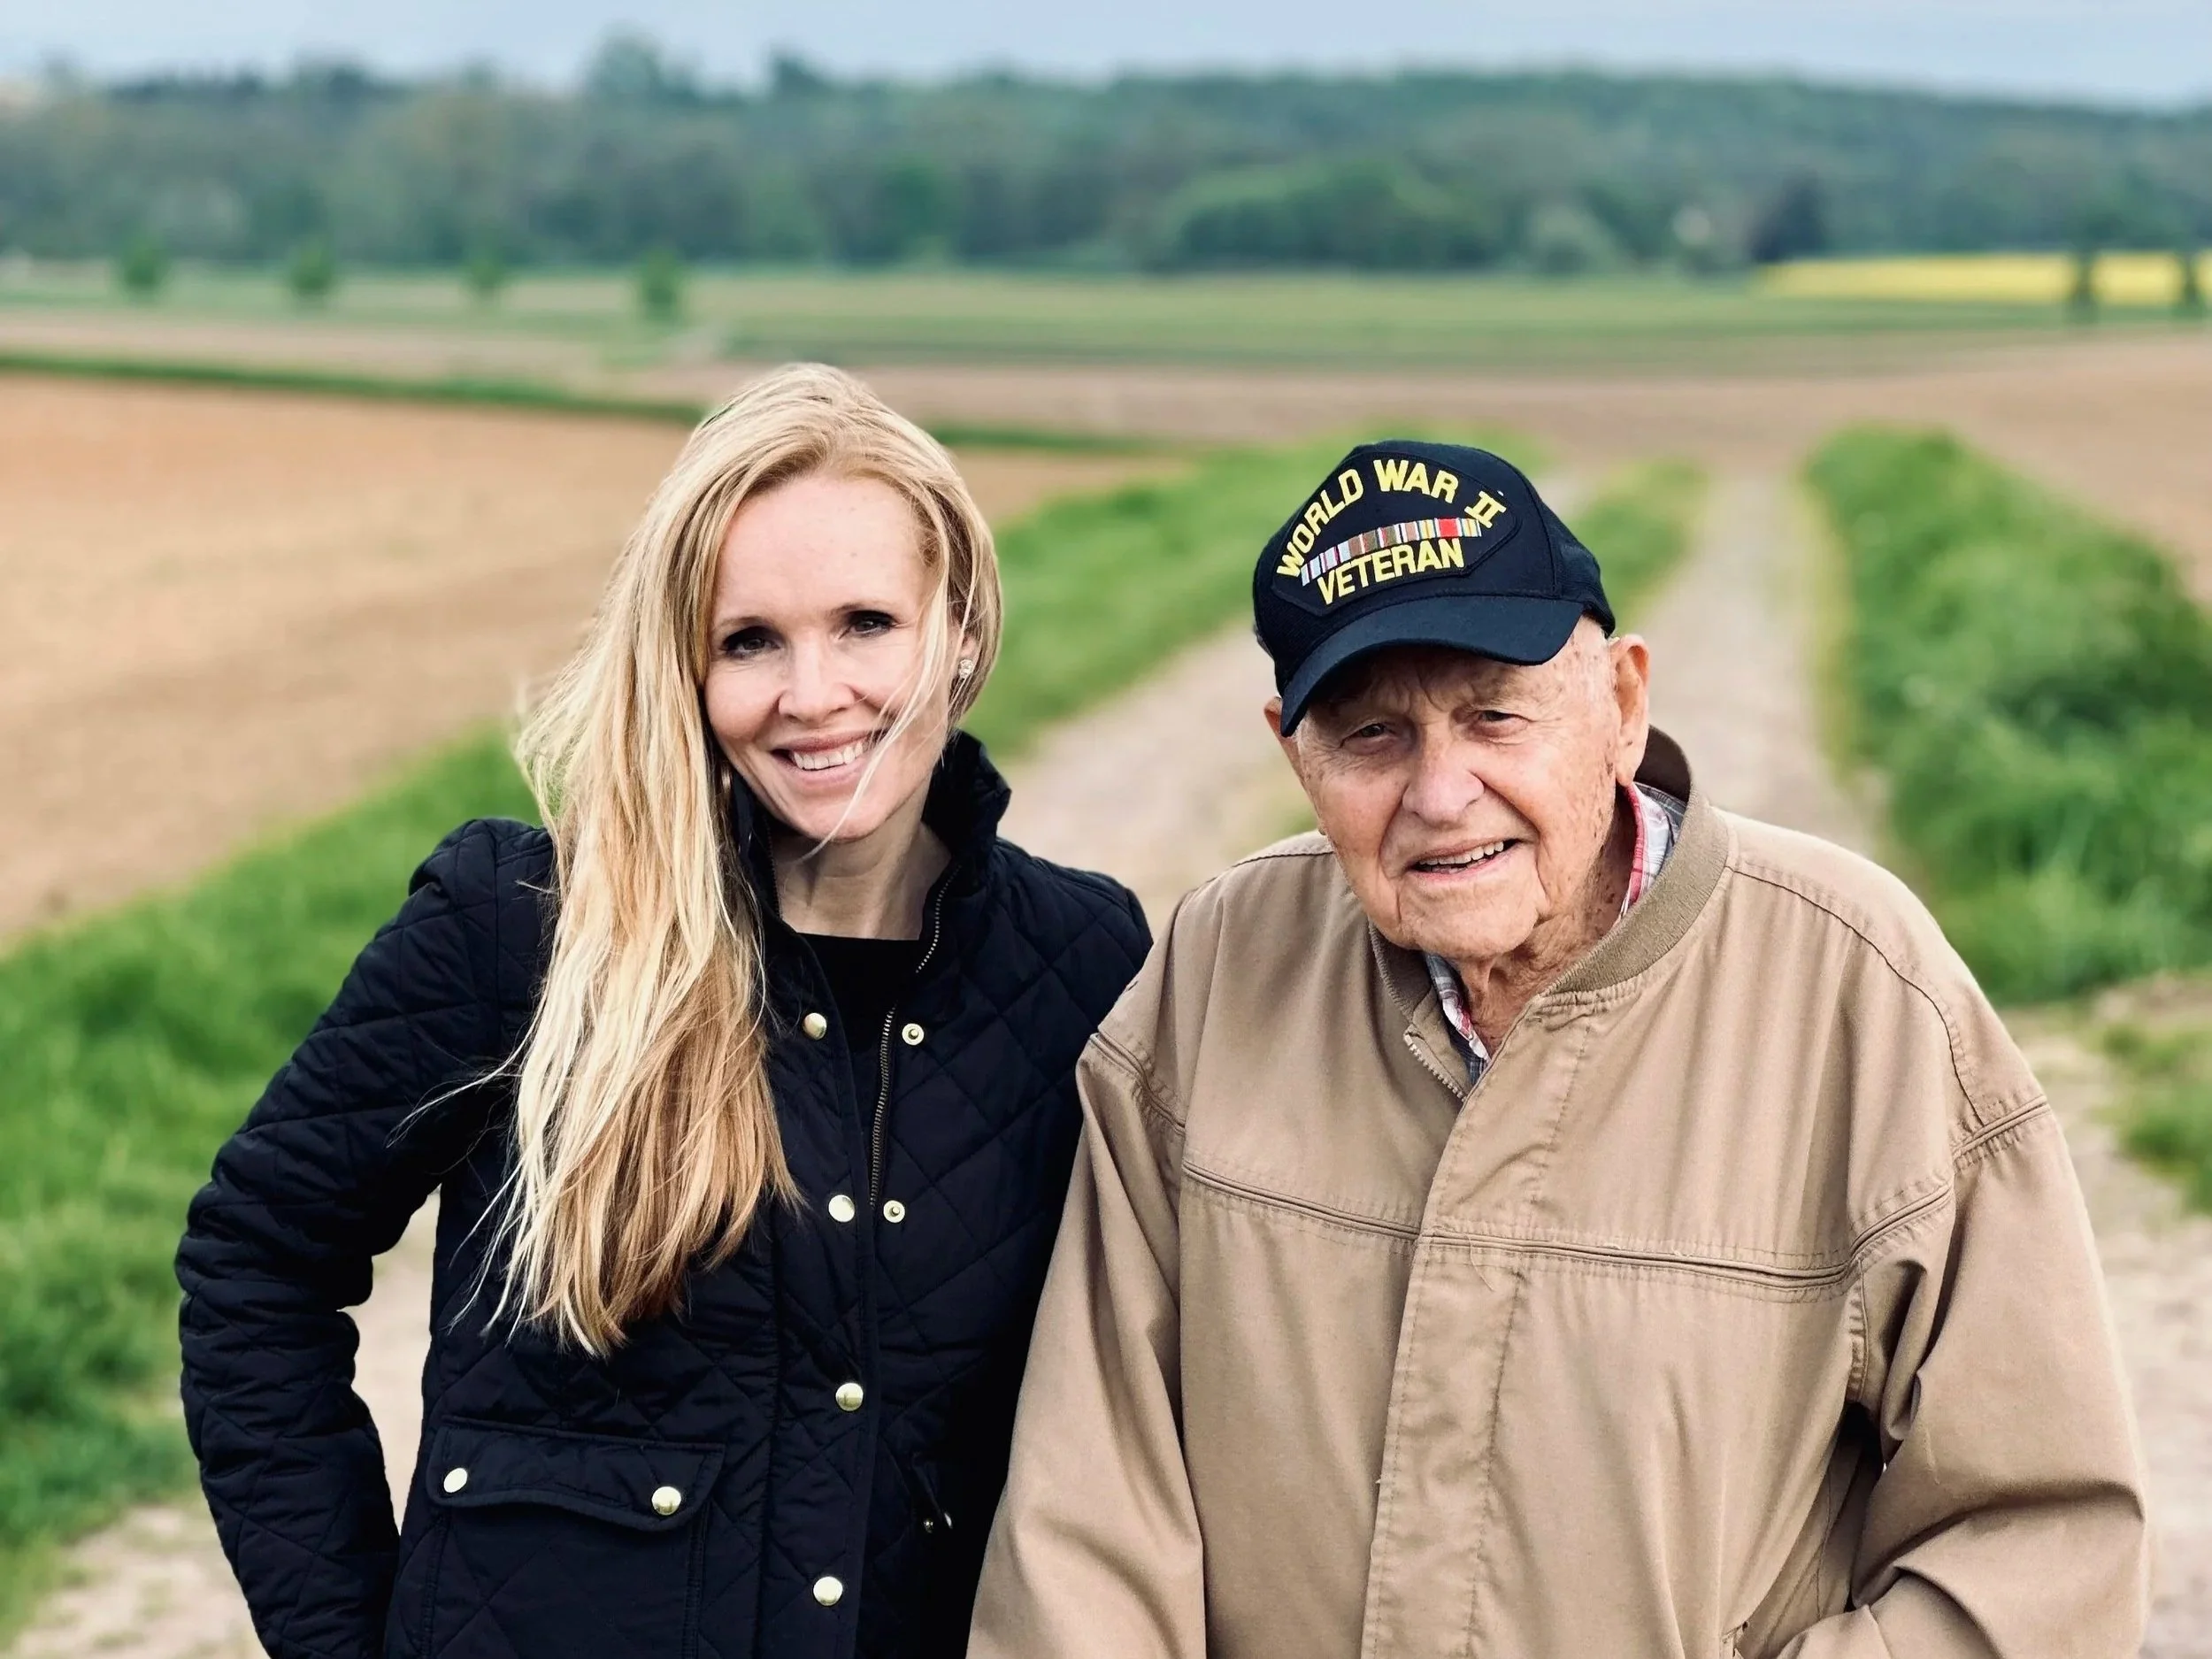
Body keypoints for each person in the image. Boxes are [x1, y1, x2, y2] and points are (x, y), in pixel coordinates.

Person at [970, 440, 2147, 1657]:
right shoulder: (1220, 972)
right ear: (1295, 753)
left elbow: (2039, 1543)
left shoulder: (1862, 990)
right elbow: (1090, 1517)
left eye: (1494, 712)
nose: (1441, 791)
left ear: (1623, 704)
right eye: (1372, 734)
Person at [174, 365, 1150, 1659]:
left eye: (866, 622)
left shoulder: (1084, 963)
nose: (814, 693)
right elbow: (256, 1267)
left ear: (959, 632)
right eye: (750, 640)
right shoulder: (518, 928)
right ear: (686, 672)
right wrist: (348, 1635)